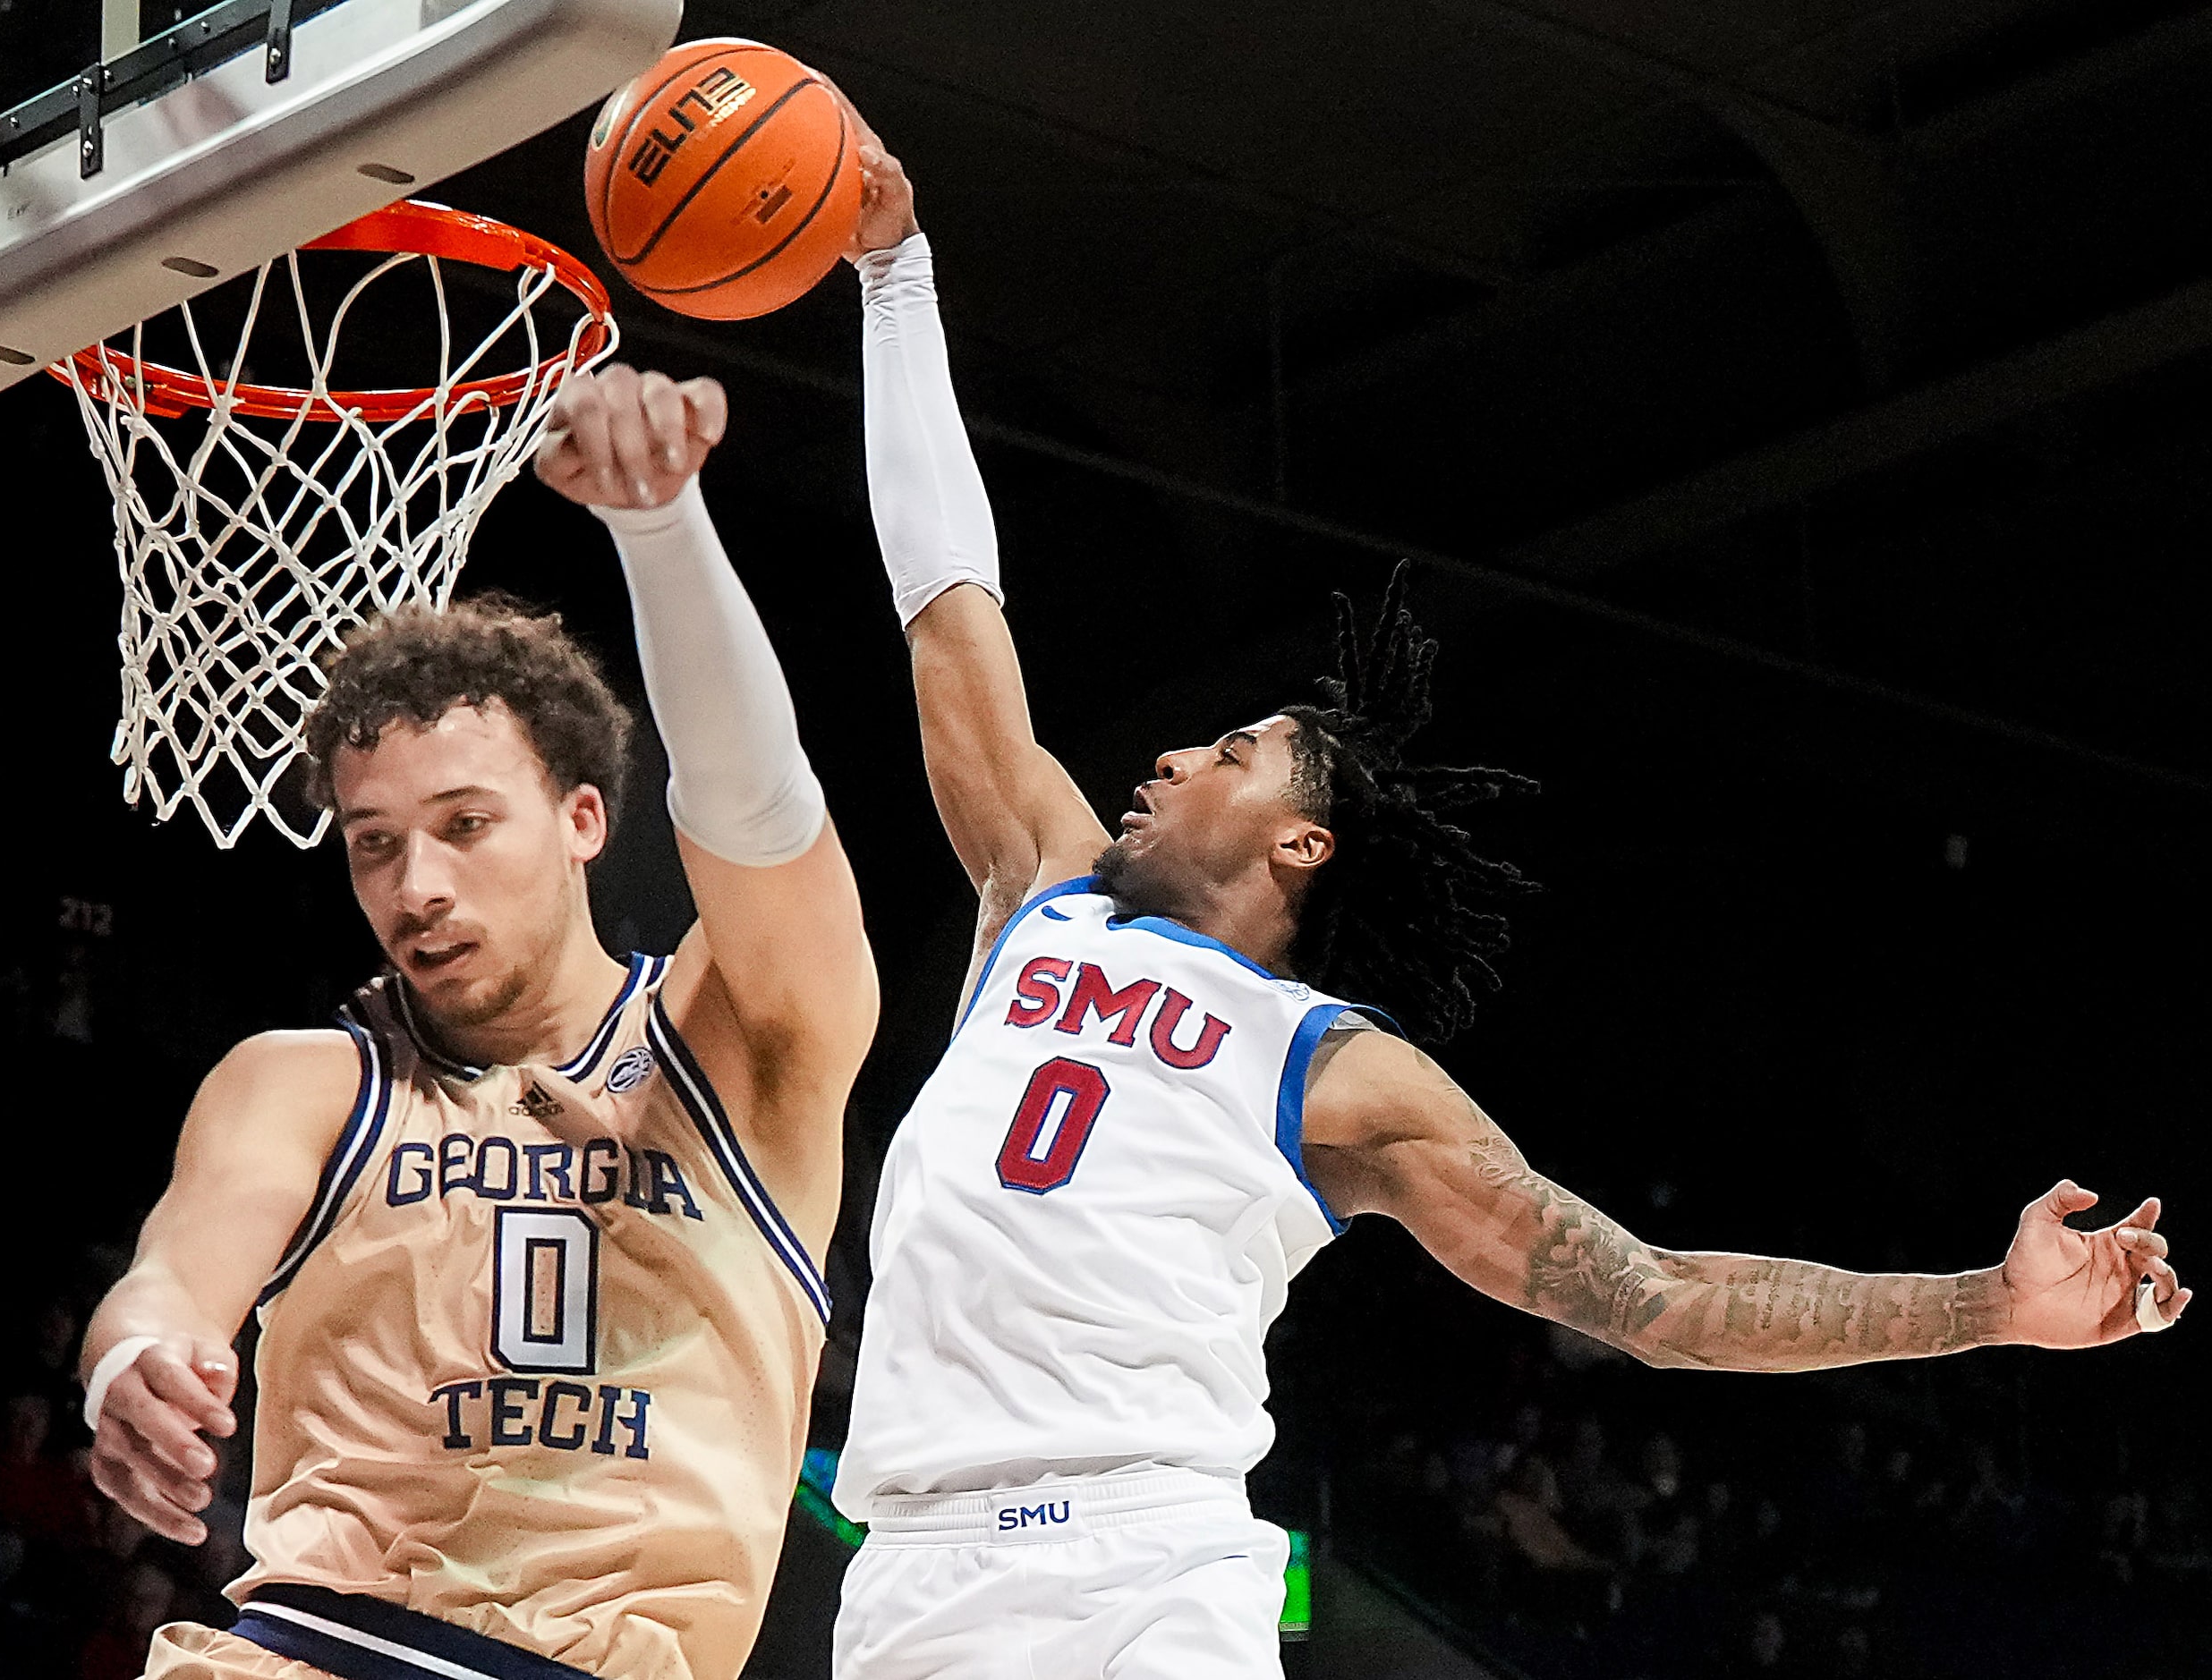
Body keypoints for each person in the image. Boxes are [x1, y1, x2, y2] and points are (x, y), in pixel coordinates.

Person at [825, 122, 2191, 1679]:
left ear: (1301, 844)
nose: (1170, 752)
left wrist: (1982, 1309)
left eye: (1233, 748)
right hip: (910, 1581)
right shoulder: (1038, 891)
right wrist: (892, 272)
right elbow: (944, 604)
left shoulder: (1333, 1065)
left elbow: (1652, 1294)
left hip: (1139, 1573)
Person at [80, 366, 877, 1680]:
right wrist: (136, 1362)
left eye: (462, 825)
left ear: (581, 821)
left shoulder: (739, 1036)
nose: (417, 885)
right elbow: (172, 1277)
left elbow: (756, 808)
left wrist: (661, 528)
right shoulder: (308, 1082)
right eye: (375, 844)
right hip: (318, 1645)